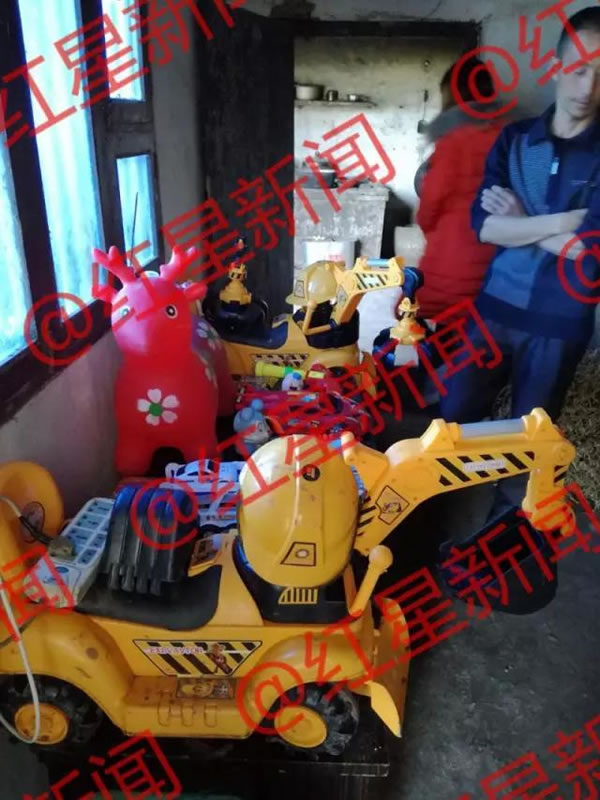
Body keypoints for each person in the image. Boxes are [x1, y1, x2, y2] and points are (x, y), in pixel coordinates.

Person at [441, 7, 600, 512]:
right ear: (556, 67)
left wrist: (522, 221)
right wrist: (562, 222)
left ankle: (501, 538)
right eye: (579, 69)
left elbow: (589, 254)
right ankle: (436, 518)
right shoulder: (515, 141)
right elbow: (485, 226)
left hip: (559, 324)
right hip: (493, 311)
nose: (588, 87)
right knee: (451, 424)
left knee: (528, 449)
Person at [411, 57, 510, 319]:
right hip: (495, 262)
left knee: (426, 326)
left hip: (452, 261)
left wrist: (428, 226)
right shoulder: (509, 135)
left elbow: (430, 204)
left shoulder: (452, 140)